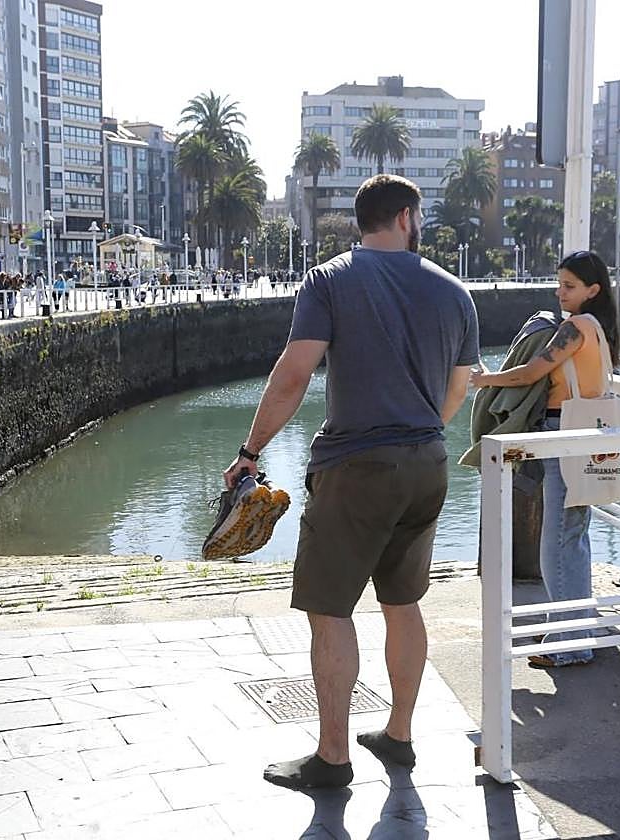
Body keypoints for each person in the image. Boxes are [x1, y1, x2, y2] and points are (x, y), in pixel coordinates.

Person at [224, 175, 477, 790]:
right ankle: (398, 736)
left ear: (363, 220)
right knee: (403, 601)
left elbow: (293, 376)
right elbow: (460, 385)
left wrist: (250, 451)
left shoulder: (329, 279)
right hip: (427, 462)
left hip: (357, 467)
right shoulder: (454, 291)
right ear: (407, 216)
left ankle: (333, 759)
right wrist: (419, 431)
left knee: (329, 610)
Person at [470, 251, 619, 667]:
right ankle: (574, 632)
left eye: (569, 286)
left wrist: (485, 380)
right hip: (588, 434)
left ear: (593, 290)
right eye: (559, 284)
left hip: (565, 435)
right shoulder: (599, 328)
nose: (560, 292)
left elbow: (531, 373)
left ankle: (568, 644)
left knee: (556, 541)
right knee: (574, 538)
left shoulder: (575, 328)